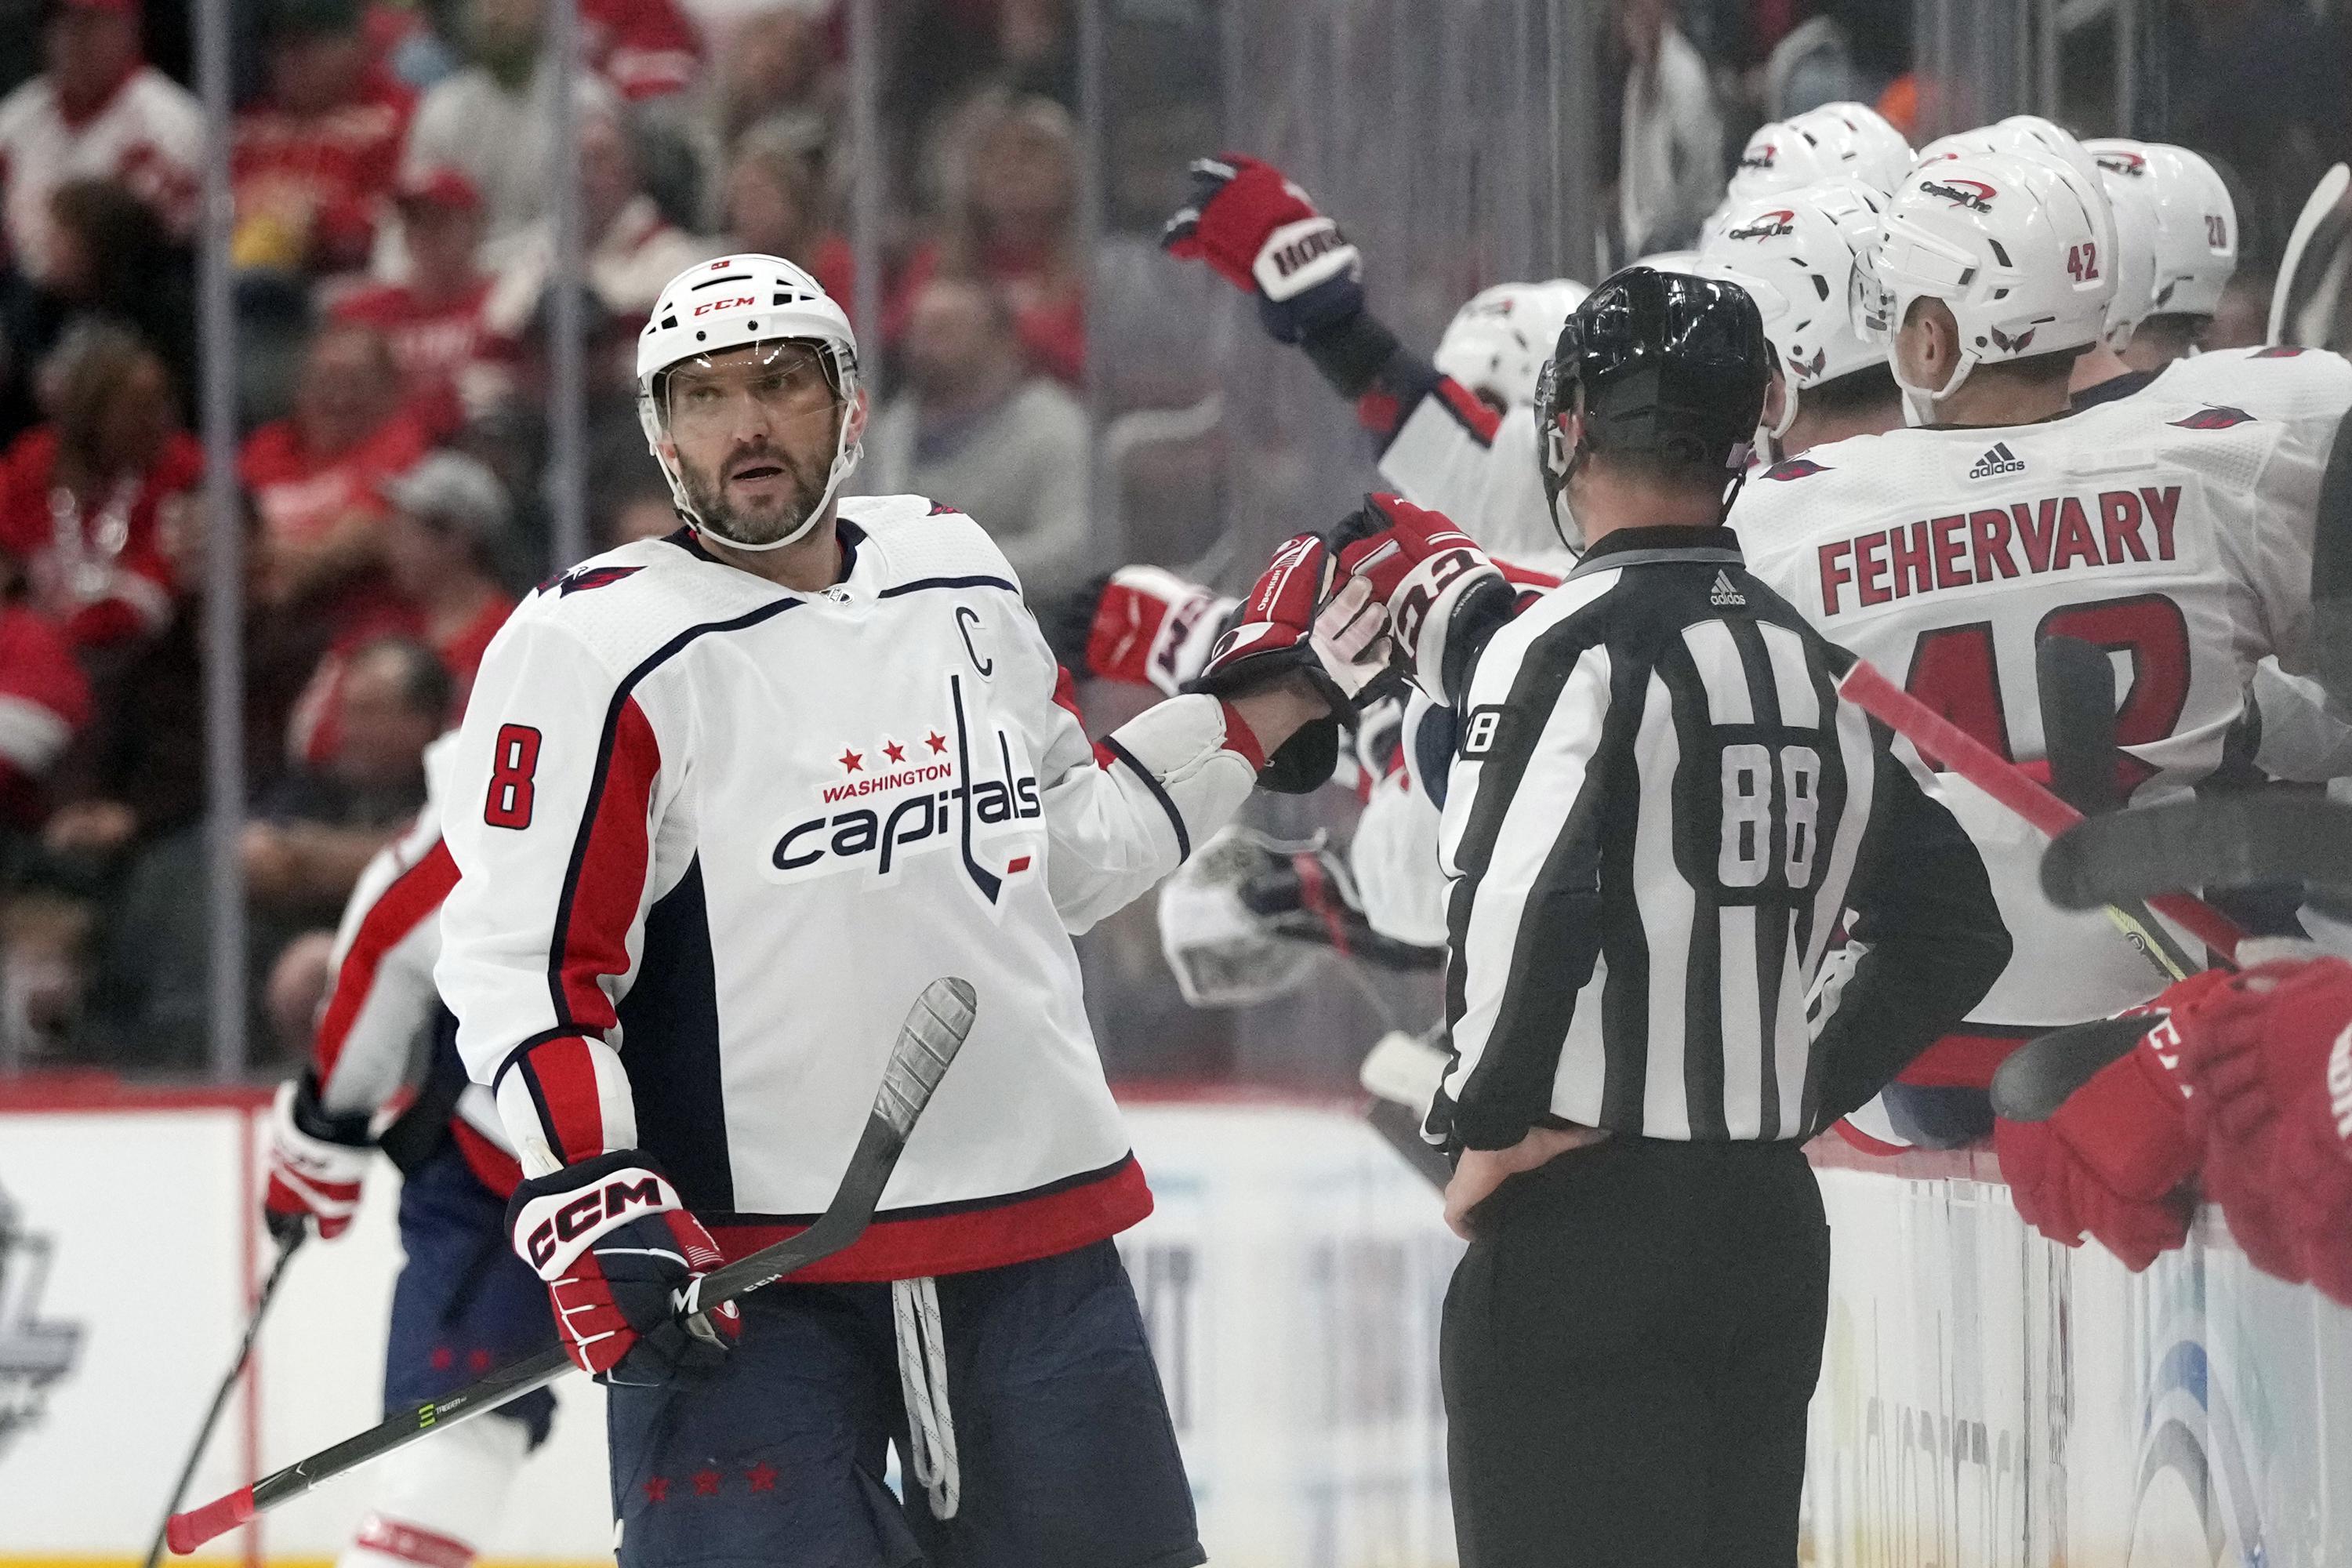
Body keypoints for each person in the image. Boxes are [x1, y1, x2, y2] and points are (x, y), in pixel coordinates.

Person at [434, 252, 1345, 1566]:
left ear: (851, 408)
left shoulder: (952, 566)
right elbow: (522, 965)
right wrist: (592, 1187)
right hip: (744, 1283)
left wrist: (1259, 717)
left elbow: (1073, 857)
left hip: (1036, 1245)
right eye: (704, 397)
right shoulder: (592, 649)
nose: (747, 422)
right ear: (660, 434)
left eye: (782, 382)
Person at [1342, 267, 2008, 1564]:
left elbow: (1528, 900)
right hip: (1763, 1227)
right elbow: (1953, 924)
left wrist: (1487, 1126)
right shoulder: (1804, 663)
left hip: (1586, 1227)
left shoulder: (1561, 646)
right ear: (1741, 441)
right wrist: (1786, 1094)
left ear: (1571, 428)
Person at [1730, 149, 2332, 1148]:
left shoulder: (1786, 518)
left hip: (1924, 1051)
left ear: (1932, 340)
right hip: (2176, 1007)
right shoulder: (2220, 454)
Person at [260, 732, 553, 1568]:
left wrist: (326, 1128)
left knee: (453, 1441)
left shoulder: (508, 766)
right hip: (733, 1156)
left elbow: (385, 946)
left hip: (520, 1167)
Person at [858, 274, 1091, 604]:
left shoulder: (1054, 426)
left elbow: (1071, 551)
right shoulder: (890, 429)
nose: (922, 346)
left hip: (1020, 628)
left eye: (944, 330)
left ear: (1001, 341)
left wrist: (951, 567)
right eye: (918, 330)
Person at [0, 324, 198, 652]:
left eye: (163, 404)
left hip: (137, 663)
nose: (159, 422)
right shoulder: (33, 463)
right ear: (91, 415)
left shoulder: (184, 469)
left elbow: (159, 586)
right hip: (30, 649)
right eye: (140, 409)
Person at [0, 0, 201, 282]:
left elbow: (174, 247)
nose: (72, 38)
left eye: (90, 23)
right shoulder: (16, 118)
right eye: (62, 23)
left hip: (129, 303)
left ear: (129, 31)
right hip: (25, 300)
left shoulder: (171, 121)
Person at [229, 0, 412, 280]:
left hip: (350, 282)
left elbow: (407, 220)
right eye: (278, 47)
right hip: (244, 282)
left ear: (355, 46)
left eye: (304, 47)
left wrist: (322, 220)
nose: (287, 61)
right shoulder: (248, 125)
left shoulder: (397, 117)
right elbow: (201, 212)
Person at [328, 168, 503, 437]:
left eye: (439, 221)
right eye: (413, 221)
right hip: (384, 447)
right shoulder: (362, 313)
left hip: (474, 440)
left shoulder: (506, 301)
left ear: (474, 226)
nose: (423, 233)